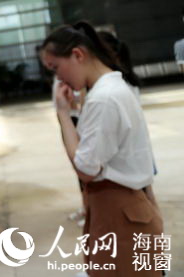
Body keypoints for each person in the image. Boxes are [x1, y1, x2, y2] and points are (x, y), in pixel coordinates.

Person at [41, 22, 163, 275]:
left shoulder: (104, 98)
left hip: (119, 215)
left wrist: (63, 115)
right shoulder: (111, 90)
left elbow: (85, 168)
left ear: (77, 55)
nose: (58, 78)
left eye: (56, 68)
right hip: (122, 211)